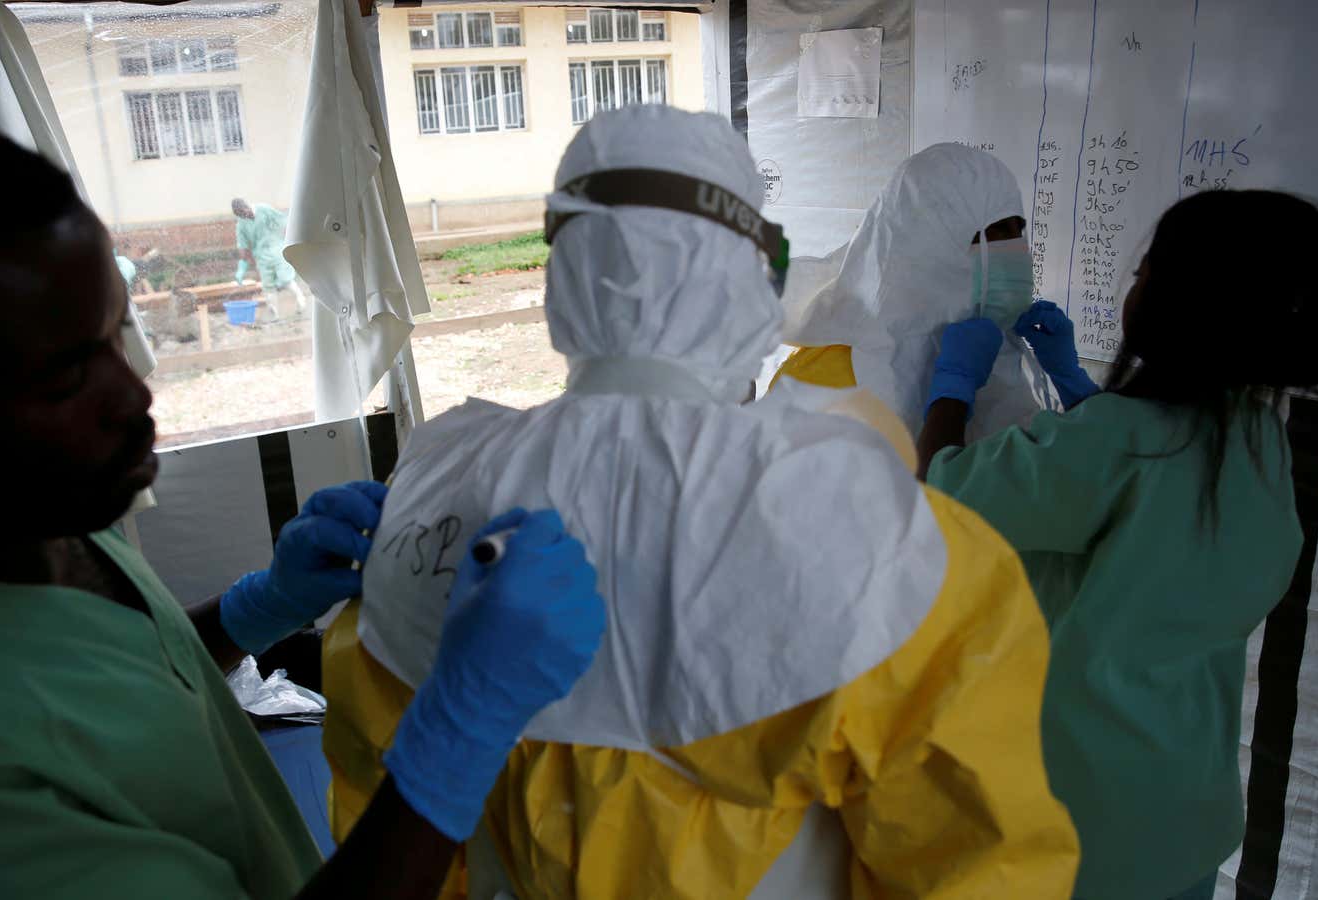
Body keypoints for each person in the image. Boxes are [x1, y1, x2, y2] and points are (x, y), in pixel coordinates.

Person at [0, 109, 605, 900]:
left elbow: (102, 672)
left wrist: (255, 608)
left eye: (116, 337)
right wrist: (462, 728)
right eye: (61, 378)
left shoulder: (32, 519)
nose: (132, 396)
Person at [321, 105, 1080, 898]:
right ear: (758, 278)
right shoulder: (879, 532)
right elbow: (981, 863)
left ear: (563, 269)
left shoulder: (430, 486)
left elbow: (380, 807)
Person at [915, 189, 1318, 900]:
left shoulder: (1110, 446)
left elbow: (938, 498)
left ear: (1179, 303)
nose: (1131, 285)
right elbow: (1142, 496)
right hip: (1184, 813)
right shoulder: (1257, 438)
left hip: (1075, 828)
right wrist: (1082, 396)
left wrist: (949, 389)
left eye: (1141, 273)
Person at [772, 142, 1045, 466]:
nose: (1017, 252)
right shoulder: (820, 389)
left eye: (1019, 231)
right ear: (930, 243)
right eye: (996, 233)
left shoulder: (996, 362)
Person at [233, 197, 309, 320]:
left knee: (286, 279)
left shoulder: (264, 209)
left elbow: (282, 222)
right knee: (268, 285)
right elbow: (243, 246)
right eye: (241, 216)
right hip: (262, 257)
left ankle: (301, 302)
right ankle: (274, 313)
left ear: (247, 206)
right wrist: (242, 267)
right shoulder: (241, 224)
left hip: (278, 250)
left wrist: (289, 241)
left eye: (244, 213)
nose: (245, 216)